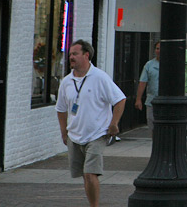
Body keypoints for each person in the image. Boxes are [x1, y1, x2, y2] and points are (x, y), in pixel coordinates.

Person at [56, 40, 126, 207]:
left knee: (90, 173)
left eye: (75, 54)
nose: (71, 57)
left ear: (86, 55)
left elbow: (120, 99)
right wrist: (64, 132)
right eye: (70, 54)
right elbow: (61, 109)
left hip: (97, 133)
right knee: (84, 175)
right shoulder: (66, 82)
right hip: (75, 135)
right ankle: (91, 202)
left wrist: (114, 123)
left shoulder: (100, 77)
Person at [135, 41, 160, 130]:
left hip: (165, 101)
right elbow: (142, 82)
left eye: (161, 48)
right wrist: (138, 99)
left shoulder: (171, 64)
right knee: (152, 126)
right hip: (151, 101)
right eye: (157, 48)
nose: (159, 51)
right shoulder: (149, 65)